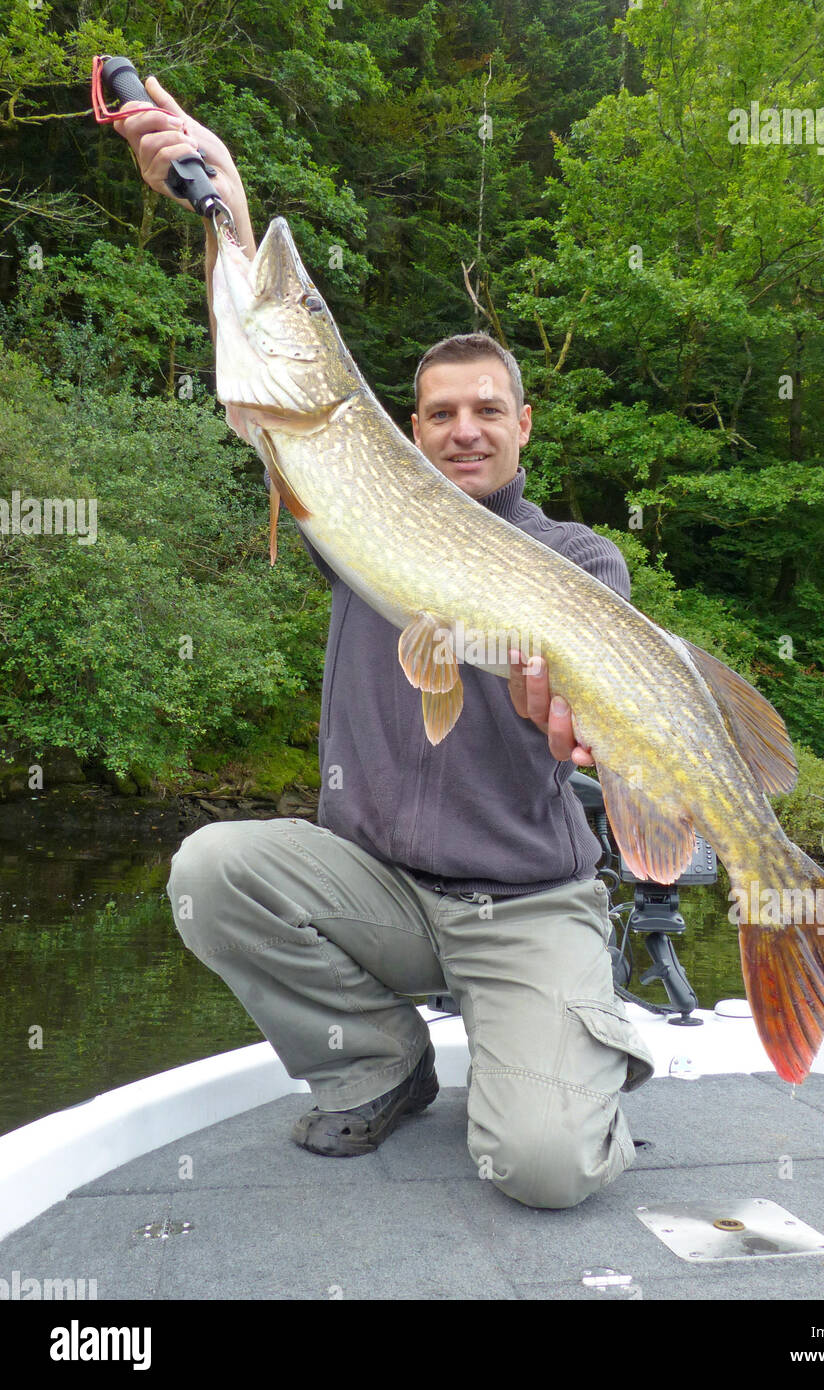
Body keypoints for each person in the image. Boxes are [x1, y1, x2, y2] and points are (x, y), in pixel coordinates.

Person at [114, 80, 655, 1210]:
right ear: (407, 429)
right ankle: (379, 1058)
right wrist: (224, 201)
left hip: (525, 904)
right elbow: (269, 368)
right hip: (381, 892)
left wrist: (555, 704)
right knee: (213, 871)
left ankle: (582, 1052)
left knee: (547, 1172)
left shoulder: (580, 559)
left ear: (522, 425)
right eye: (440, 412)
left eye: (486, 410)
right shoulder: (347, 518)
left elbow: (557, 718)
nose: (463, 427)